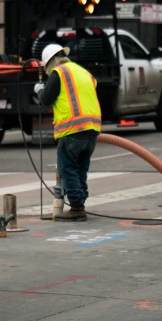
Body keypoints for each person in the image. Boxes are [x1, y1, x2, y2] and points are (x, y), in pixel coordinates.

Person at [34, 43, 101, 221]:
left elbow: (47, 99)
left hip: (72, 129)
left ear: (49, 63)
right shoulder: (81, 71)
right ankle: (80, 203)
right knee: (81, 168)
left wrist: (40, 90)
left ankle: (77, 208)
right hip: (92, 128)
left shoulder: (59, 73)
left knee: (67, 168)